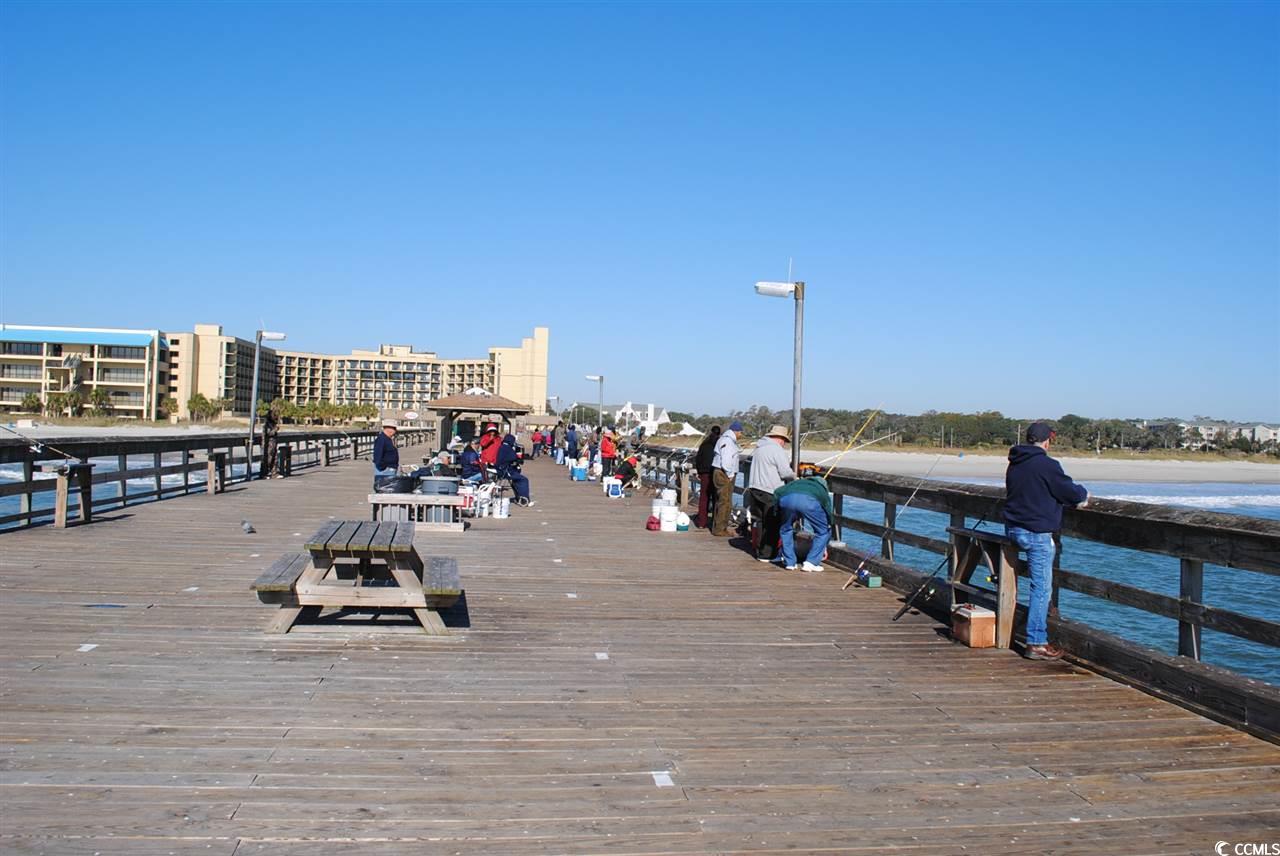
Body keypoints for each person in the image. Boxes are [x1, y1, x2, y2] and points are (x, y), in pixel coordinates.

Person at [1004, 421, 1089, 660]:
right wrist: (1083, 494)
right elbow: (1069, 492)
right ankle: (1036, 642)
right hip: (1036, 533)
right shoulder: (1047, 465)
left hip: (1013, 530)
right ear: (1047, 441)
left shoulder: (1015, 462)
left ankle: (1013, 630)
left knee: (1031, 584)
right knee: (1041, 588)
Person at [746, 425, 796, 561]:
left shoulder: (759, 448)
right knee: (772, 523)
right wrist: (795, 475)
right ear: (780, 439)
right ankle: (767, 554)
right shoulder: (776, 450)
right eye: (784, 441)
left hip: (754, 488)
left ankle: (759, 549)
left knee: (760, 521)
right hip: (769, 490)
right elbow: (785, 472)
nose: (784, 444)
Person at [773, 474, 836, 572]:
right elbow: (827, 508)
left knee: (785, 530)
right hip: (808, 502)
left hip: (786, 500)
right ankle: (811, 562)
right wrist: (830, 522)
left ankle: (789, 562)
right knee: (823, 532)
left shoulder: (796, 483)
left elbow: (777, 492)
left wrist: (776, 511)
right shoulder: (821, 489)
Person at [709, 420, 743, 537]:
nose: (741, 435)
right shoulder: (728, 441)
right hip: (723, 473)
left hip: (720, 472)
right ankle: (719, 529)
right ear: (736, 431)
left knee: (722, 500)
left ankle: (719, 526)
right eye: (740, 432)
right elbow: (726, 460)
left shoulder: (724, 439)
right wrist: (730, 474)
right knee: (725, 501)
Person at [693, 425, 722, 528]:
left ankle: (702, 522)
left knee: (704, 498)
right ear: (719, 433)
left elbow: (698, 459)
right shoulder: (720, 444)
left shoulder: (704, 444)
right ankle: (714, 522)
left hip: (704, 473)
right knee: (716, 498)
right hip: (715, 473)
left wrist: (699, 471)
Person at [497, 433, 534, 506]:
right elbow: (513, 457)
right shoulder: (507, 448)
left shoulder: (502, 447)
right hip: (505, 471)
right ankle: (524, 499)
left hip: (503, 469)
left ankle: (519, 497)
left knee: (517, 479)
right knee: (524, 480)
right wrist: (518, 459)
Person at [373, 419, 399, 484]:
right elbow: (378, 455)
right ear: (388, 428)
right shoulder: (381, 439)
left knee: (390, 487)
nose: (395, 431)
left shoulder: (388, 439)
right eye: (394, 428)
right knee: (383, 487)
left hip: (390, 469)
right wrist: (383, 467)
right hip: (385, 471)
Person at [259, 407, 281, 480]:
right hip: (267, 445)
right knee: (267, 459)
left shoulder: (273, 424)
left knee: (274, 458)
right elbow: (268, 433)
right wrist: (275, 430)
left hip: (273, 444)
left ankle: (274, 473)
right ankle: (264, 474)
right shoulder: (267, 425)